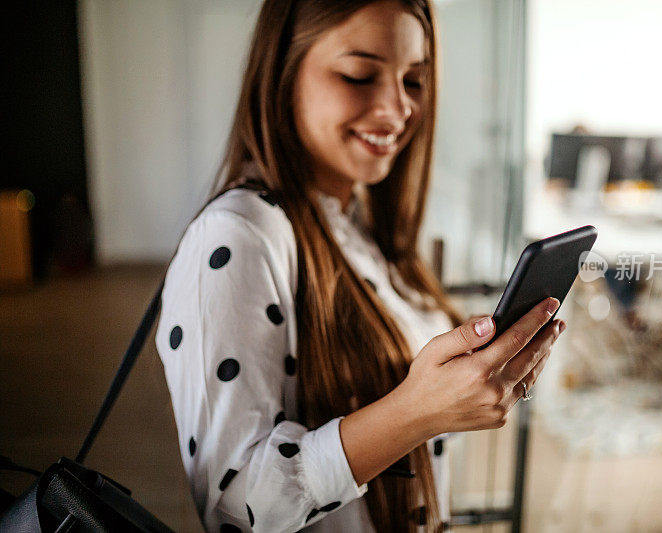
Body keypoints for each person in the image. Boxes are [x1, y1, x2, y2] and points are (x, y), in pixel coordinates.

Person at [155, 1, 566, 531]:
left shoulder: (355, 222)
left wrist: (466, 386)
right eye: (360, 75)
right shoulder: (239, 236)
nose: (397, 111)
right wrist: (415, 412)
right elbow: (235, 506)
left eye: (414, 81)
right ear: (282, 74)